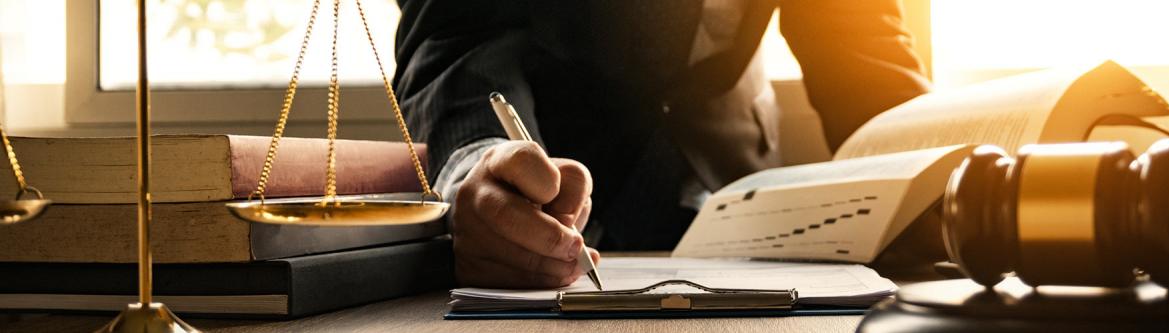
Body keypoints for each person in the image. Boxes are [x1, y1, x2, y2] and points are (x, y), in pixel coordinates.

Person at [392, 0, 930, 288]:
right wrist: (481, 168)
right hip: (556, 207)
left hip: (746, 200)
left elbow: (863, 56)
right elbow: (455, 36)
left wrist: (935, 167)